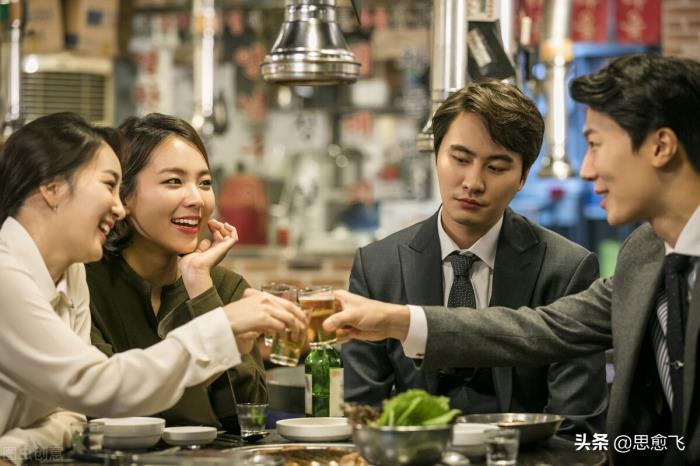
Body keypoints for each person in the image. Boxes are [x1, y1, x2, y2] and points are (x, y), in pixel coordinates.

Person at [325, 54, 700, 465]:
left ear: (660, 146)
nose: (587, 170)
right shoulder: (645, 254)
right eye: (460, 158)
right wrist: (398, 321)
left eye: (594, 144)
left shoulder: (572, 264)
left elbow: (584, 432)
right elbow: (538, 330)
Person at [0, 113, 306, 465]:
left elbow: (71, 412)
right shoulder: (13, 275)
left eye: (205, 183)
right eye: (109, 185)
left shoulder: (71, 275)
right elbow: (99, 389)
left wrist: (11, 449)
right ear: (52, 188)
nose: (116, 207)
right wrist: (222, 324)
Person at [342, 80, 607, 436]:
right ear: (436, 155)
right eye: (460, 159)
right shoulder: (378, 265)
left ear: (523, 177)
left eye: (496, 167)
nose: (473, 182)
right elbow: (363, 415)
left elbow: (576, 428)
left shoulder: (566, 269)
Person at [86, 114, 266, 432]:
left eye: (205, 183)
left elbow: (247, 419)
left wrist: (202, 291)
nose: (196, 199)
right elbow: (101, 403)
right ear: (123, 195)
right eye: (174, 181)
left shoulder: (224, 286)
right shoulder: (85, 283)